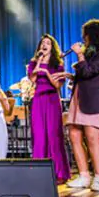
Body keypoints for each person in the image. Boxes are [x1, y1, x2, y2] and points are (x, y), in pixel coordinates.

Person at [58, 19, 99, 192]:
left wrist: (79, 55)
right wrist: (72, 76)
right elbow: (85, 75)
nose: (83, 39)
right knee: (74, 135)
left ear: (94, 35)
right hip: (80, 98)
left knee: (92, 137)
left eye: (85, 35)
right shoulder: (91, 53)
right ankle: (84, 175)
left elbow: (89, 71)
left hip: (95, 101)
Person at [27, 34, 70, 183]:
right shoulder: (33, 63)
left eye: (48, 43)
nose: (45, 45)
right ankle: (39, 172)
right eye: (42, 43)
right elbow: (32, 79)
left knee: (53, 135)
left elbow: (57, 86)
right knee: (39, 135)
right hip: (38, 100)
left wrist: (46, 73)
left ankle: (59, 173)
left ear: (53, 47)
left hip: (52, 99)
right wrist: (39, 61)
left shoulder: (58, 65)